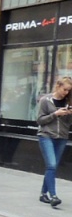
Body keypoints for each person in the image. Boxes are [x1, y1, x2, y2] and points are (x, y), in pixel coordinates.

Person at [35, 76, 72, 208]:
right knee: (51, 164)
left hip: (61, 137)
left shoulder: (69, 101)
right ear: (58, 86)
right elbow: (39, 120)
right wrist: (55, 114)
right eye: (65, 89)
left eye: (68, 90)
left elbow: (68, 124)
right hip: (46, 136)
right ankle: (53, 196)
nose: (66, 93)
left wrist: (69, 114)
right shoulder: (46, 100)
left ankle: (43, 194)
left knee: (53, 166)